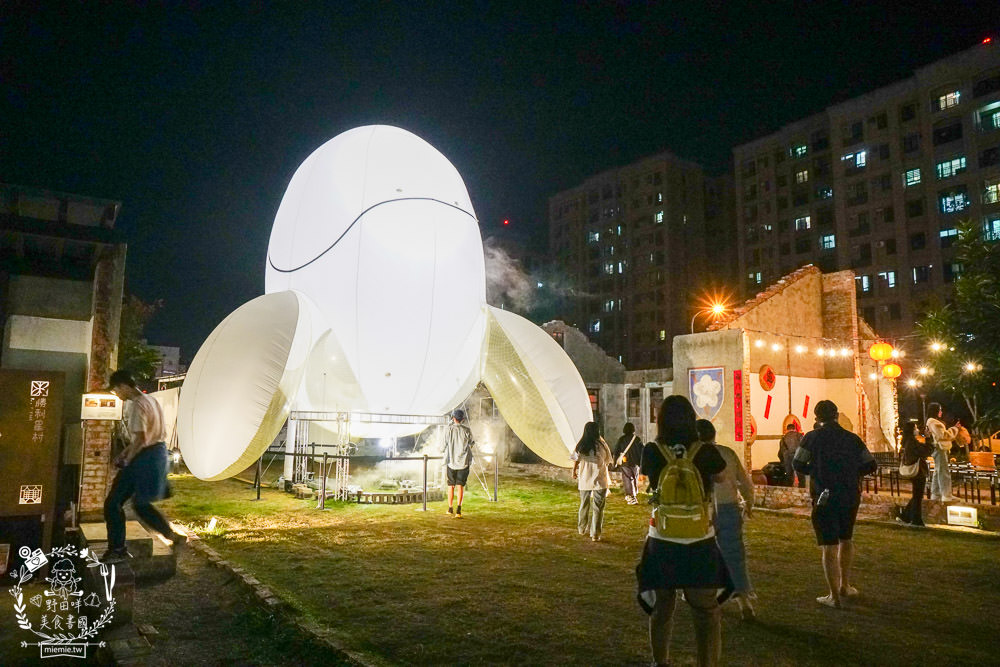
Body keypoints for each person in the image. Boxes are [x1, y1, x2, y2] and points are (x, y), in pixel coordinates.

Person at [638, 396, 728, 667]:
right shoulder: (705, 451)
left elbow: (648, 481)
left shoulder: (652, 451)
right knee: (706, 611)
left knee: (662, 608)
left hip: (662, 539)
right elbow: (722, 476)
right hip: (699, 540)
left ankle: (660, 661)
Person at [792, 400, 876, 608]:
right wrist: (851, 473)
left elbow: (797, 463)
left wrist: (818, 471)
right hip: (849, 494)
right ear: (836, 415)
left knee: (829, 545)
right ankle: (845, 585)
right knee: (846, 539)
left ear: (817, 417)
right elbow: (870, 464)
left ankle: (833, 596)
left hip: (824, 495)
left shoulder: (811, 438)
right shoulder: (852, 439)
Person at [102, 369, 186, 563]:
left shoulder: (138, 405)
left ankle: (117, 549)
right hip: (157, 453)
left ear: (123, 386)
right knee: (140, 504)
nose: (117, 395)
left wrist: (127, 459)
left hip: (144, 457)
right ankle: (172, 536)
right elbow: (146, 436)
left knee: (113, 503)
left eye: (116, 391)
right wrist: (124, 453)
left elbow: (140, 438)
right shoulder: (151, 401)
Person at [697, 419, 755, 620]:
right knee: (734, 554)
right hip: (730, 507)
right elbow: (746, 481)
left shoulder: (694, 456)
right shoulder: (727, 453)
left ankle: (708, 596)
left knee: (703, 555)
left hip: (704, 511)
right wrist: (749, 502)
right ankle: (744, 601)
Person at [572, 421, 612, 541]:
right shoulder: (602, 445)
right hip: (600, 479)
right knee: (598, 508)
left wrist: (574, 471)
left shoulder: (581, 445)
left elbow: (576, 459)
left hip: (585, 479)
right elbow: (607, 460)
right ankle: (595, 534)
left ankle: (582, 528)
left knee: (584, 504)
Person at [898, 421, 934, 526]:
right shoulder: (912, 442)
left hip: (915, 471)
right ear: (912, 430)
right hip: (918, 472)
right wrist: (928, 438)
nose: (917, 430)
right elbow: (926, 451)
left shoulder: (907, 441)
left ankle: (906, 515)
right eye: (915, 428)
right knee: (918, 496)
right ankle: (916, 519)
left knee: (916, 495)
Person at [442, 409, 475, 517]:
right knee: (460, 485)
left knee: (451, 485)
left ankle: (450, 508)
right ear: (463, 419)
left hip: (451, 461)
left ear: (453, 418)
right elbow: (472, 443)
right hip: (464, 462)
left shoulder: (448, 430)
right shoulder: (467, 430)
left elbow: (443, 445)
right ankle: (459, 510)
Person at [925, 403, 960, 503]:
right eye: (939, 410)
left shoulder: (931, 421)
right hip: (939, 448)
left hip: (937, 448)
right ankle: (946, 495)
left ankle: (936, 494)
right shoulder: (933, 422)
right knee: (943, 472)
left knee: (938, 471)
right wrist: (955, 429)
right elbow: (943, 435)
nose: (941, 412)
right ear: (935, 411)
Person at [612, 422, 643, 505]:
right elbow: (642, 451)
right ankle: (634, 494)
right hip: (635, 463)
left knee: (628, 479)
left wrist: (615, 463)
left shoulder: (621, 439)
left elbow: (616, 451)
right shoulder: (637, 439)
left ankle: (631, 496)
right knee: (634, 478)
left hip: (625, 463)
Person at [778, 423, 804, 487]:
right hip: (798, 458)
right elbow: (804, 447)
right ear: (795, 429)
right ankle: (802, 492)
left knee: (789, 477)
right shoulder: (799, 436)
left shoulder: (783, 438)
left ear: (787, 429)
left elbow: (780, 453)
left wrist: (782, 461)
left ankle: (789, 492)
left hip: (788, 458)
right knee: (801, 478)